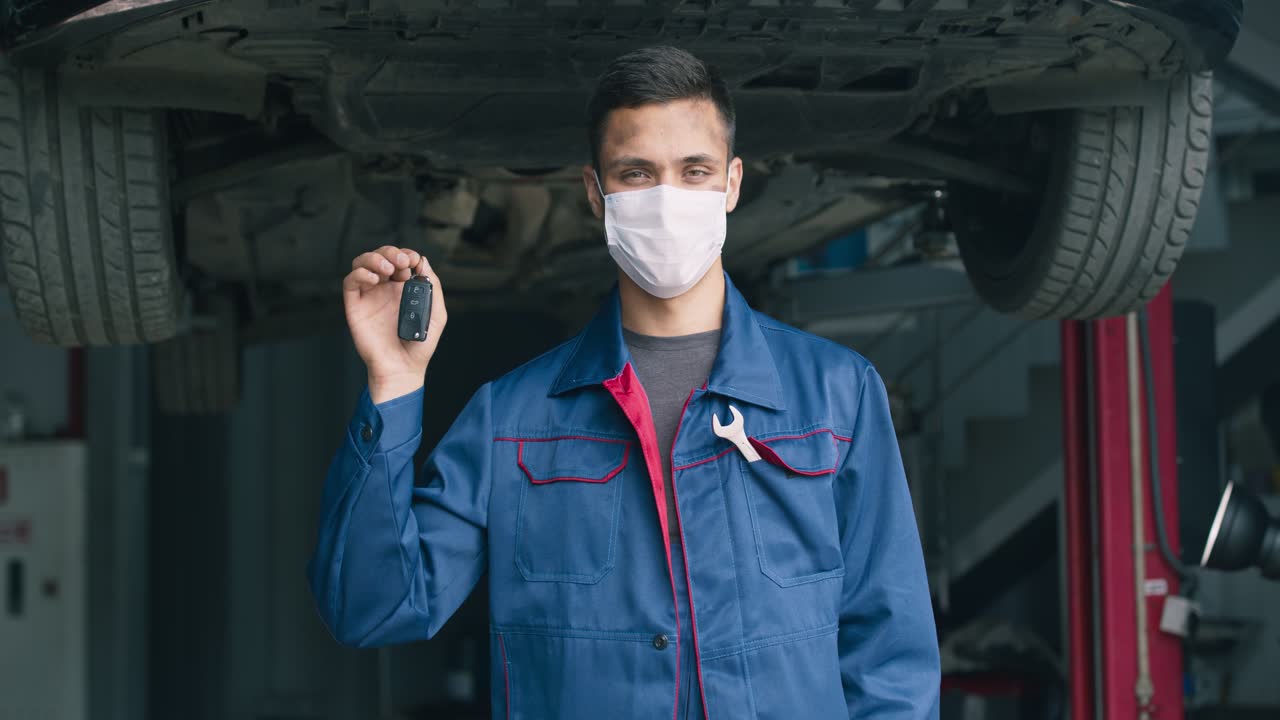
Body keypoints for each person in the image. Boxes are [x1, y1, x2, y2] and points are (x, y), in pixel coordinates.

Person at [307, 46, 940, 719]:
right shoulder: (511, 419)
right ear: (595, 192)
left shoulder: (837, 394)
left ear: (732, 183)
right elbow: (372, 609)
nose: (668, 200)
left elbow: (891, 657)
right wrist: (394, 382)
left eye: (694, 171)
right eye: (637, 174)